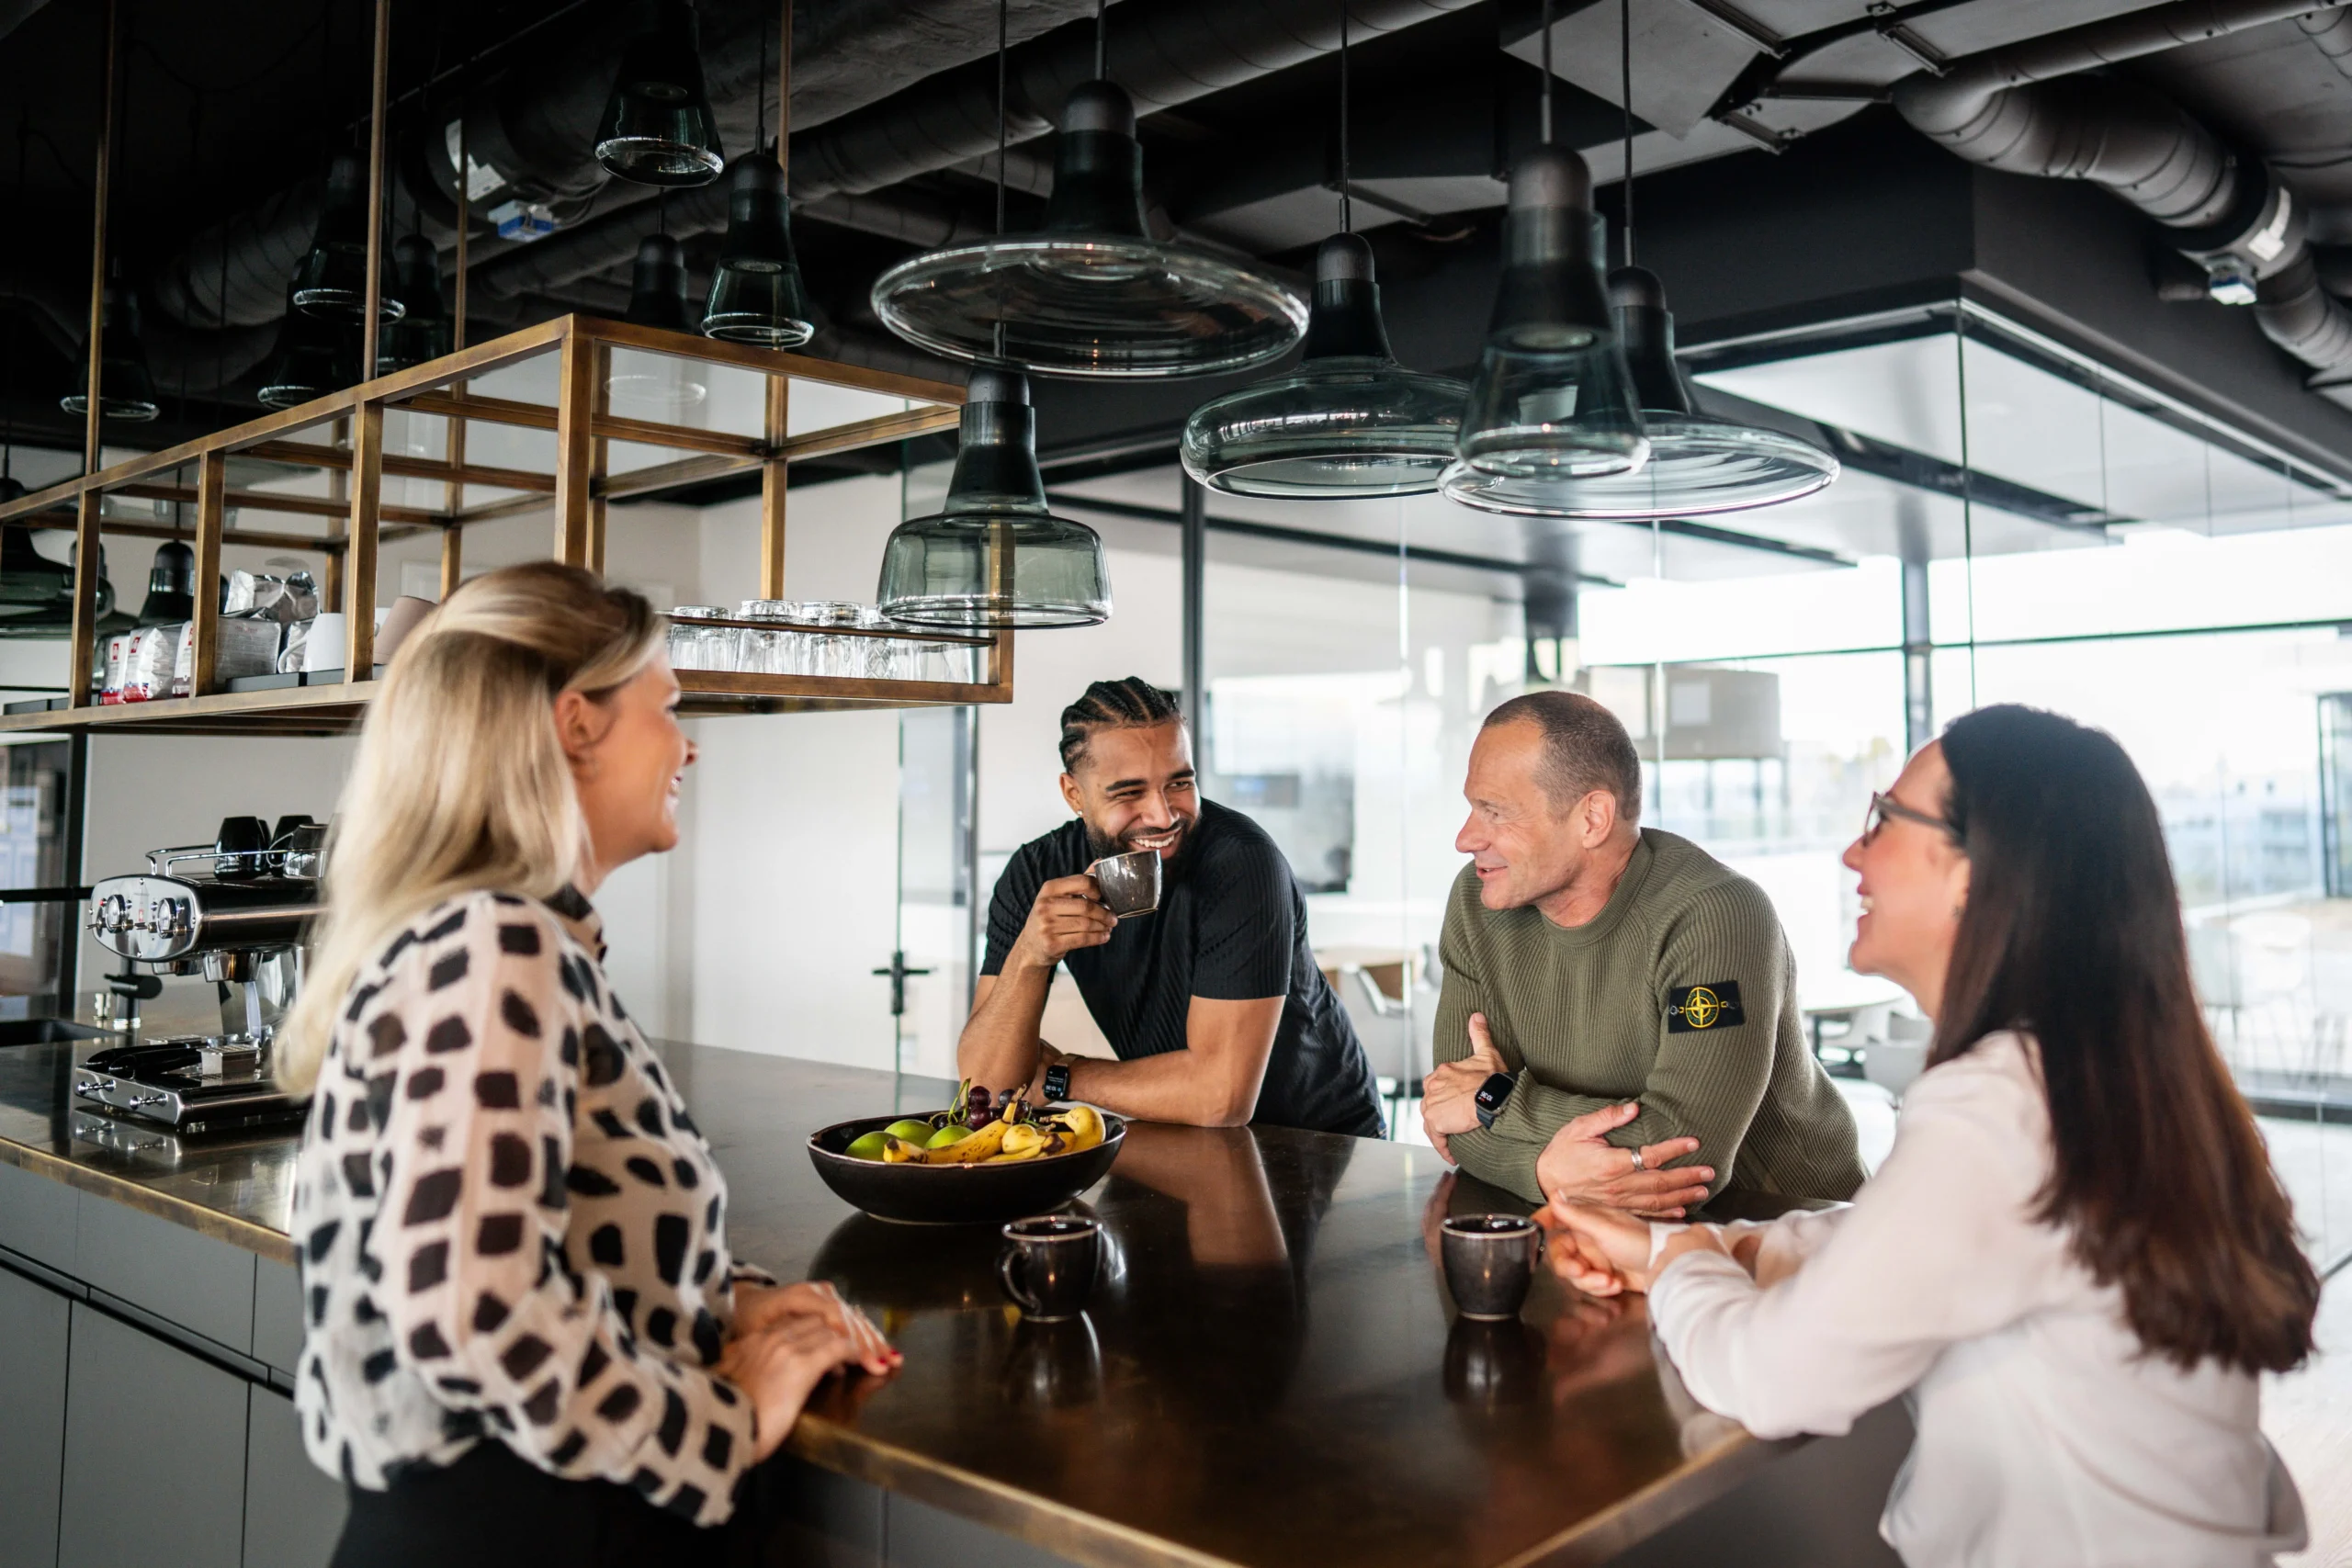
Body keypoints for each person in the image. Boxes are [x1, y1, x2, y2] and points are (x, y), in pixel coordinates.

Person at [1544, 705, 2321, 1567]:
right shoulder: (2095, 1082)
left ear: (1969, 873)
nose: (1852, 853)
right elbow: (1891, 1242)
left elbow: (1770, 1377)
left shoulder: (2001, 1106)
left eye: (1882, 820)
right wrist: (1670, 1248)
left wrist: (1682, 1260)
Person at [277, 564, 898, 1568]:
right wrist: (726, 1423)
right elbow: (474, 1312)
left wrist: (722, 1297)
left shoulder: (499, 940)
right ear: (578, 726)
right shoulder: (495, 946)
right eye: (667, 706)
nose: (688, 744)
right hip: (535, 1530)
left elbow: (554, 1232)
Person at [1421, 691, 1863, 1213]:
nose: (1465, 838)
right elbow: (1449, 1112)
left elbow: (1681, 1155)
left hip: (1786, 1234)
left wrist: (1493, 1102)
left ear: (1592, 819)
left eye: (1495, 812)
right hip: (1591, 1233)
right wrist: (1545, 1170)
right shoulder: (1478, 901)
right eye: (1473, 807)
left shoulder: (1714, 915)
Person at [959, 676, 1385, 1137]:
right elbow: (986, 1087)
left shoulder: (1242, 863)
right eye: (1129, 793)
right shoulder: (1034, 875)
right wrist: (1030, 955)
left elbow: (1220, 1097)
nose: (1163, 816)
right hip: (1186, 1137)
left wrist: (1065, 1074)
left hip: (1325, 1145)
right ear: (1074, 794)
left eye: (1179, 783)